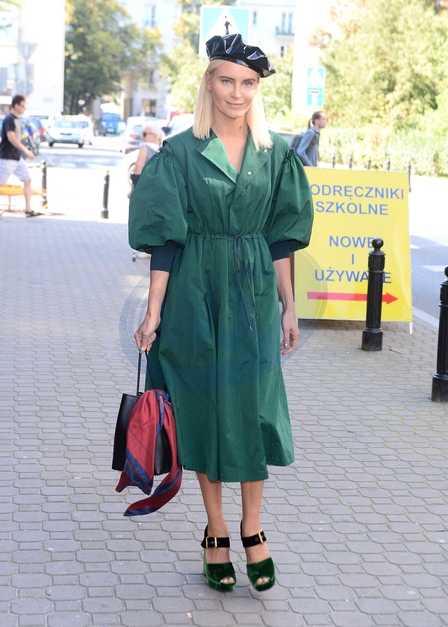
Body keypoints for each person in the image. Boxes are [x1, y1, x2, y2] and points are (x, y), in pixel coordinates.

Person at [129, 33, 313, 592]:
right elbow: (165, 241)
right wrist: (153, 312)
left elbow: (281, 238)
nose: (237, 92)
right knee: (203, 411)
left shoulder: (275, 153)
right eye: (227, 80)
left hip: (254, 297)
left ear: (258, 89)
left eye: (248, 83)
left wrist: (289, 306)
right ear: (209, 83)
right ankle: (216, 529)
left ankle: (253, 526)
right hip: (194, 295)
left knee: (254, 410)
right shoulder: (179, 154)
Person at [0, 94, 41, 217]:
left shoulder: (17, 120)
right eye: (23, 106)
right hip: (8, 157)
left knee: (27, 180)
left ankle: (28, 209)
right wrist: (25, 150)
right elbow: (11, 138)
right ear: (16, 105)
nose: (24, 108)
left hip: (16, 157)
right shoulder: (9, 119)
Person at [129, 122, 164, 194]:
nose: (142, 137)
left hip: (144, 189)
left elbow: (138, 170)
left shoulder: (145, 147)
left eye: (144, 134)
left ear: (154, 135)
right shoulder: (163, 149)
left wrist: (133, 189)